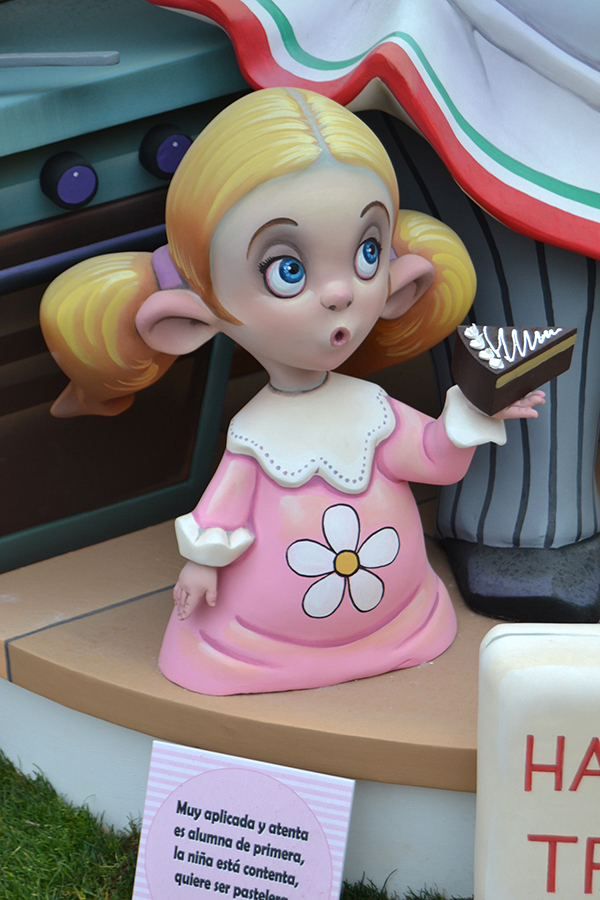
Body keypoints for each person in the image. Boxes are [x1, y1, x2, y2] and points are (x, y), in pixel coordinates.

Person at [40, 88, 542, 694]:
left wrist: (472, 413)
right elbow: (224, 509)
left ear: (400, 281)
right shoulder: (255, 436)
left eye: (367, 252)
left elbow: (433, 458)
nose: (339, 294)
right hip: (260, 645)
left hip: (402, 619)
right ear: (190, 320)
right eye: (288, 270)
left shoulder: (373, 410)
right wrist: (202, 566)